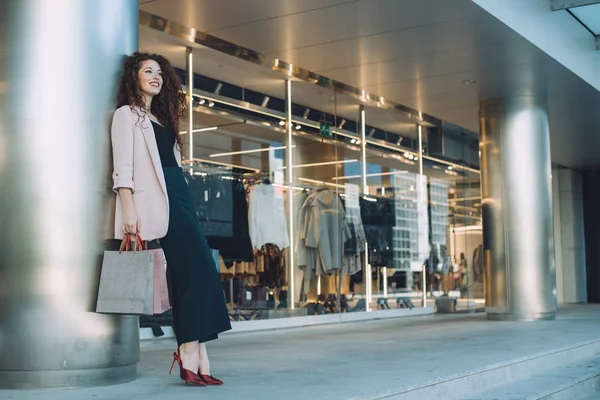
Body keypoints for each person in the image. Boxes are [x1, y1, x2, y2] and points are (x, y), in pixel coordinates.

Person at [110, 52, 231, 386]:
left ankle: (195, 349)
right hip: (156, 202)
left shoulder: (161, 121)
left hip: (178, 194)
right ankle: (190, 350)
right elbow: (123, 167)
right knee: (196, 269)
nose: (156, 76)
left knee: (194, 272)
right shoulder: (126, 116)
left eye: (160, 73)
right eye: (148, 71)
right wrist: (128, 209)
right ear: (132, 77)